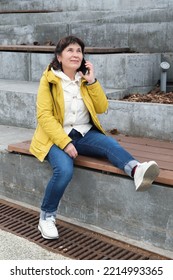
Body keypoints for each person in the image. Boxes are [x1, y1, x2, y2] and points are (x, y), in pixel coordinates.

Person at [29, 35, 160, 240]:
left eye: (79, 51)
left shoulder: (84, 80)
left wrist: (93, 82)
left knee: (109, 144)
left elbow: (102, 107)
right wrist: (65, 143)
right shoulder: (49, 80)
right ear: (59, 56)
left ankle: (136, 169)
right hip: (54, 136)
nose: (75, 54)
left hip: (83, 132)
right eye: (70, 50)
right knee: (64, 170)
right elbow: (44, 117)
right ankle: (46, 217)